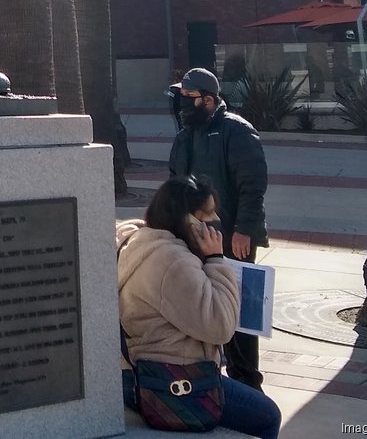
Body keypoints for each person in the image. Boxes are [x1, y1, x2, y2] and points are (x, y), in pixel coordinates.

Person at [116, 176, 281, 439]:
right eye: (206, 215)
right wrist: (215, 259)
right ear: (186, 220)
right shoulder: (172, 262)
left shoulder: (141, 240)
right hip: (171, 379)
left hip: (135, 371)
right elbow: (220, 327)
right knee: (268, 416)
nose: (215, 220)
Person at [167, 67, 269, 390]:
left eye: (189, 98)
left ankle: (247, 381)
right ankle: (211, 375)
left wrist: (244, 229)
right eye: (180, 98)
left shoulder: (236, 131)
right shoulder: (184, 137)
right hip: (192, 239)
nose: (183, 105)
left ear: (209, 100)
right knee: (200, 306)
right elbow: (174, 185)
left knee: (237, 315)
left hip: (232, 239)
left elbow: (253, 185)